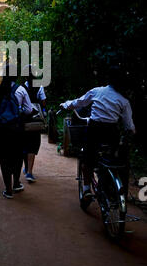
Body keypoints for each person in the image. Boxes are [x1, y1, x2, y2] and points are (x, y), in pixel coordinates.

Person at [60, 67, 136, 198]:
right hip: (112, 134)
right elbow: (129, 126)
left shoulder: (97, 91)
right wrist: (132, 132)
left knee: (87, 159)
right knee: (110, 160)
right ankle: (106, 185)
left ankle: (86, 189)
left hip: (94, 131)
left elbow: (79, 102)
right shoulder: (124, 101)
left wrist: (65, 104)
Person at [0, 64, 36, 199]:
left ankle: (8, 189)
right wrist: (19, 112)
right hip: (17, 129)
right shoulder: (21, 90)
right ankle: (17, 183)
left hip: (2, 129)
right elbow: (29, 109)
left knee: (4, 158)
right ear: (15, 75)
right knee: (17, 156)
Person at [21, 65, 47, 183]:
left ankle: (26, 167)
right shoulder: (39, 87)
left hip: (24, 120)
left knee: (24, 144)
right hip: (35, 121)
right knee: (33, 145)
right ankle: (30, 172)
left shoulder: (21, 88)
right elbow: (43, 103)